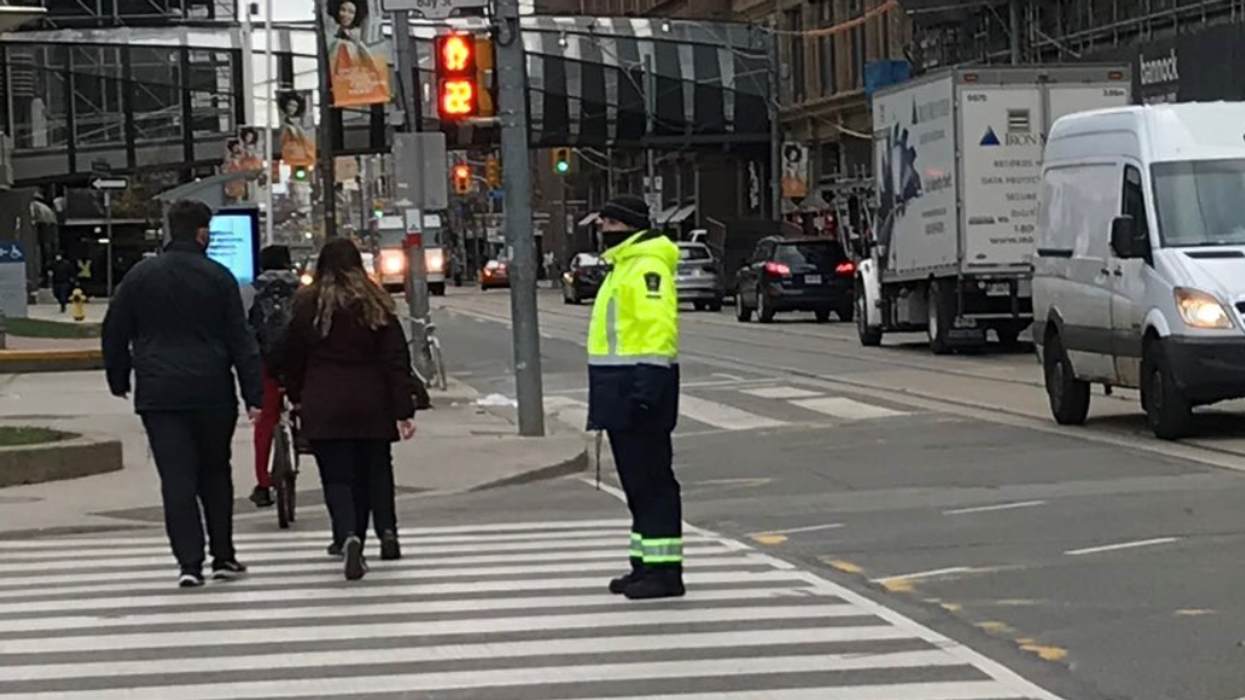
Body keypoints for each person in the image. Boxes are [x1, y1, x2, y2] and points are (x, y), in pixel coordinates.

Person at [102, 199, 263, 589]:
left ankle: (188, 563)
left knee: (176, 478)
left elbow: (114, 330)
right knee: (215, 472)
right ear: (202, 232)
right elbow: (241, 341)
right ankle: (223, 555)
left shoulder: (140, 277)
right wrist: (253, 393)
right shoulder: (218, 277)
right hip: (211, 389)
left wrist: (119, 377)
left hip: (160, 393)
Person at [282, 238, 418, 581]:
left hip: (325, 399)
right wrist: (404, 408)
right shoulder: (376, 304)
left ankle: (348, 535)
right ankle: (385, 531)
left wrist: (297, 395)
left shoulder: (308, 305)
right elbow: (395, 360)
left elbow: (290, 355)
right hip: (372, 400)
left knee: (337, 475)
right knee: (374, 470)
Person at [586, 195, 684, 600]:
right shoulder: (624, 266)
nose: (602, 231)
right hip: (621, 390)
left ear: (624, 225)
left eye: (607, 223)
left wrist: (646, 388)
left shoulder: (645, 267)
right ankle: (645, 566)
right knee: (637, 487)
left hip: (638, 390)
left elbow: (657, 329)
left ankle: (664, 574)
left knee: (652, 485)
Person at [247, 245, 301, 508]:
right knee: (303, 410)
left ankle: (263, 483)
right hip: (296, 365)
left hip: (264, 365)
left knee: (264, 422)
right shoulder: (302, 290)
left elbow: (244, 331)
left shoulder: (251, 291)